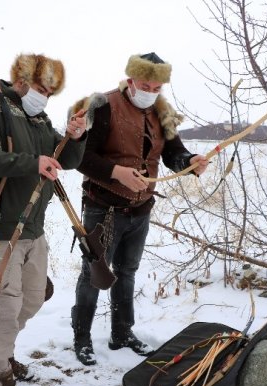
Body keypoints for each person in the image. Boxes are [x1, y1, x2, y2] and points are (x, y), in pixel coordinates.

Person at [0, 53, 88, 386]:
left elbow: (67, 158)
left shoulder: (41, 120)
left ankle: (3, 352)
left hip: (33, 228)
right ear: (21, 80)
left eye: (51, 91)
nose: (45, 95)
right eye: (41, 87)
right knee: (4, 307)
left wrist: (76, 137)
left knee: (32, 298)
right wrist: (31, 164)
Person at [71, 52, 209, 366]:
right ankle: (81, 339)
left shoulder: (162, 113)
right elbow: (80, 157)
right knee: (94, 274)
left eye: (158, 88)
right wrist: (116, 173)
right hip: (102, 208)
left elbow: (174, 152)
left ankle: (122, 333)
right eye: (146, 85)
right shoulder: (103, 106)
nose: (151, 92)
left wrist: (189, 163)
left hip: (141, 209)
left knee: (127, 273)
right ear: (131, 80)